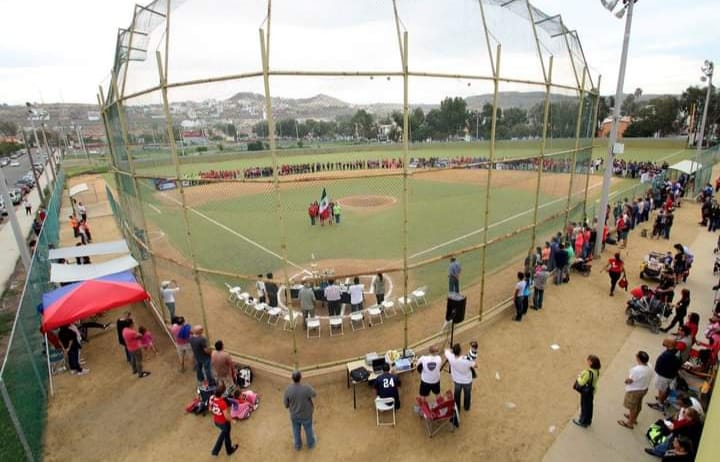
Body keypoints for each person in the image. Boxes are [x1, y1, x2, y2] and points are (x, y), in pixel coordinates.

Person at [618, 351, 652, 429]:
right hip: (644, 388)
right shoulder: (649, 366)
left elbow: (630, 380)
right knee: (638, 405)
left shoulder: (636, 370)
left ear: (638, 358)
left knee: (633, 407)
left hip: (635, 390)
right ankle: (634, 418)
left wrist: (626, 381)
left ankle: (630, 423)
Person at [283, 371, 316, 451]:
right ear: (301, 378)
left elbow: (285, 404)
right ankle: (311, 444)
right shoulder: (306, 387)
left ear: (292, 379)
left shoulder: (288, 390)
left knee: (296, 430)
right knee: (308, 429)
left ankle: (297, 446)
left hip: (294, 415)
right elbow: (314, 394)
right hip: (306, 414)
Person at [647, 339, 682, 412]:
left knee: (663, 389)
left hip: (664, 376)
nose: (663, 342)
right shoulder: (676, 351)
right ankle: (661, 399)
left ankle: (660, 404)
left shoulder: (668, 355)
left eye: (666, 341)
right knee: (664, 389)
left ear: (670, 344)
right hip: (669, 375)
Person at [445, 343, 475, 420]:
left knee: (457, 395)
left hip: (457, 380)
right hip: (467, 381)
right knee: (467, 394)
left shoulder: (451, 357)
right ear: (460, 351)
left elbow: (446, 351)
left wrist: (452, 351)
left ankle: (457, 407)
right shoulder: (466, 359)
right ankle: (466, 407)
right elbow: (475, 365)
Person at [208, 383, 238, 456]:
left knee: (224, 434)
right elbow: (226, 415)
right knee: (226, 436)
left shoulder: (211, 397)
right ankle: (228, 450)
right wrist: (232, 420)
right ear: (222, 394)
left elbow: (209, 409)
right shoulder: (222, 403)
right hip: (224, 423)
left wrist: (217, 413)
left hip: (216, 421)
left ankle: (216, 451)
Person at [573, 354, 601, 428]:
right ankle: (588, 420)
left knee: (584, 406)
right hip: (592, 391)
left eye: (589, 360)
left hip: (586, 392)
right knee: (589, 406)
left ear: (591, 363)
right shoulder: (597, 371)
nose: (587, 361)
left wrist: (579, 377)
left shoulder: (588, 372)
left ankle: (583, 421)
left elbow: (581, 382)